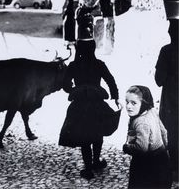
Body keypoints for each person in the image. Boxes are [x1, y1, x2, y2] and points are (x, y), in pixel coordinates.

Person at [59, 34, 120, 180]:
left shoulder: (74, 66)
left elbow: (65, 85)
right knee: (97, 133)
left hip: (80, 105)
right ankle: (96, 161)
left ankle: (87, 168)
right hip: (97, 103)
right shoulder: (99, 64)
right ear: (93, 49)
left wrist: (73, 89)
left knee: (84, 135)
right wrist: (115, 96)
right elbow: (110, 80)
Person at [123, 85, 172, 188]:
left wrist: (127, 148)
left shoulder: (140, 122)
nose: (128, 106)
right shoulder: (152, 112)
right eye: (127, 102)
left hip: (147, 164)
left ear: (144, 103)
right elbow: (164, 132)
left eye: (133, 103)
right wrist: (164, 148)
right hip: (162, 160)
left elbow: (142, 148)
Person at [155, 19, 178, 180]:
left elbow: (158, 80)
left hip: (171, 100)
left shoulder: (166, 51)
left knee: (172, 133)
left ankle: (176, 168)